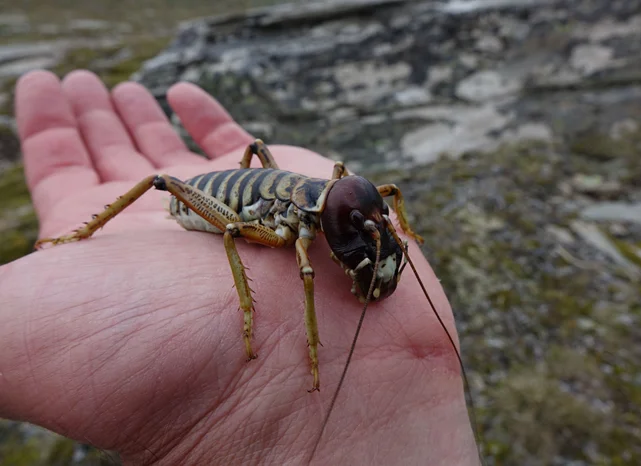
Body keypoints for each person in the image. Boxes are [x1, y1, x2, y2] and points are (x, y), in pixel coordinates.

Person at [0, 69, 480, 465]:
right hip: (215, 205)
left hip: (267, 187)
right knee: (164, 182)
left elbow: (383, 197)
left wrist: (401, 234)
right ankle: (80, 234)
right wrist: (254, 318)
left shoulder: (336, 192)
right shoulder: (288, 235)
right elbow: (248, 240)